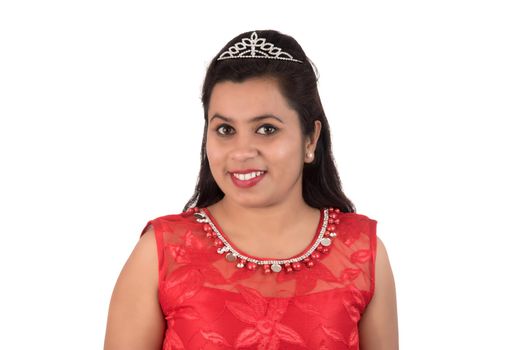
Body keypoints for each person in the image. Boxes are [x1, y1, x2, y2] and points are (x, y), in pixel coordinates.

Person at [104, 29, 398, 350]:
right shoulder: (160, 254)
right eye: (225, 129)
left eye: (266, 129)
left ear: (310, 139)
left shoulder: (362, 254)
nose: (241, 152)